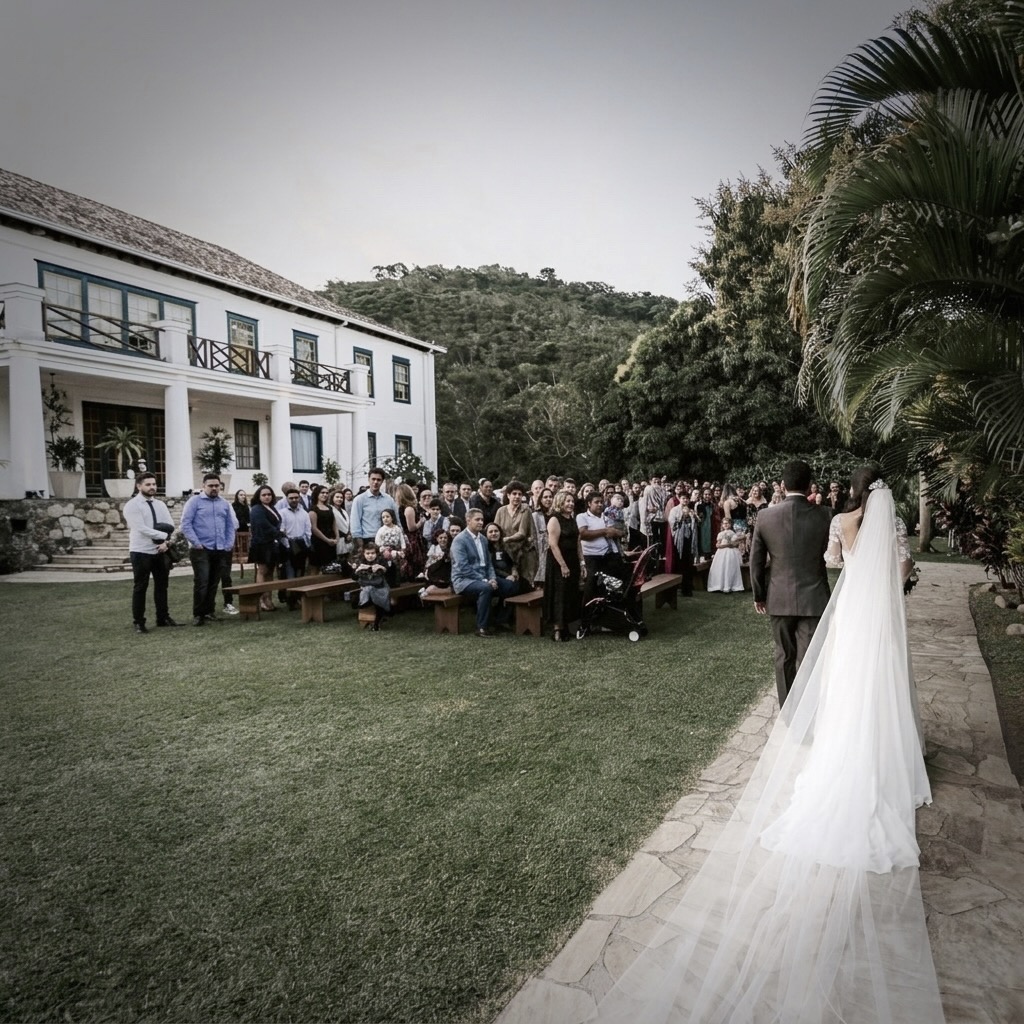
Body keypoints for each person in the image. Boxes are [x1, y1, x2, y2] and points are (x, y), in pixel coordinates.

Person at [594, 467, 941, 1022]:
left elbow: (763, 560)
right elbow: (853, 564)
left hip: (785, 596)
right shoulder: (831, 515)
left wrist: (759, 593)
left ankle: (790, 716)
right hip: (826, 601)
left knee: (785, 662)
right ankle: (820, 715)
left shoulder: (775, 515)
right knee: (824, 665)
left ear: (782, 483)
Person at [749, 458, 833, 707]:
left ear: (783, 485)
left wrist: (758, 594)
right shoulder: (825, 515)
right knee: (809, 657)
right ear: (810, 487)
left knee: (784, 655)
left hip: (779, 595)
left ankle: (788, 711)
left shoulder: (765, 517)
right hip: (815, 597)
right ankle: (807, 712)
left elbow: (756, 561)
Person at [122, 471, 179, 632]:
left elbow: (170, 525)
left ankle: (163, 617)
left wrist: (166, 543)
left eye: (154, 484)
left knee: (162, 586)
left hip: (161, 551)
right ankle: (138, 622)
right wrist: (162, 536)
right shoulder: (132, 505)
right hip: (141, 551)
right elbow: (140, 528)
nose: (152, 487)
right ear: (139, 486)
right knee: (140, 586)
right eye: (148, 484)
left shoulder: (160, 505)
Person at [451, 509, 517, 638]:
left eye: (482, 519)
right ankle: (482, 627)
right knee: (486, 588)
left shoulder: (483, 539)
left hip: (484, 578)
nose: (481, 522)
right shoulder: (460, 540)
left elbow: (489, 564)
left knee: (511, 586)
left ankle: (499, 620)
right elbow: (463, 568)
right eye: (477, 519)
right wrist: (485, 580)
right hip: (464, 580)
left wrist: (492, 577)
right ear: (468, 520)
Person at [180, 473, 236, 626]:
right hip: (201, 549)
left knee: (214, 582)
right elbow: (185, 524)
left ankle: (209, 611)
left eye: (216, 486)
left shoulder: (224, 504)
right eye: (210, 486)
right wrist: (197, 543)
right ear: (203, 486)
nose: (214, 488)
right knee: (202, 582)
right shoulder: (194, 502)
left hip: (220, 548)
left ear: (220, 487)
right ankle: (198, 614)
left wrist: (229, 543)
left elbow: (230, 525)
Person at [543, 490, 584, 642]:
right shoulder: (554, 519)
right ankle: (557, 629)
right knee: (559, 593)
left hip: (573, 559)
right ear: (560, 502)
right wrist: (563, 565)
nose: (571, 504)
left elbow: (578, 542)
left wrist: (582, 562)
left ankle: (567, 625)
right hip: (558, 561)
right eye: (567, 501)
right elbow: (553, 545)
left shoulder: (572, 519)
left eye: (572, 501)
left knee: (570, 593)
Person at [248, 485, 286, 612]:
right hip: (261, 544)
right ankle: (261, 599)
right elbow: (263, 525)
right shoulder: (256, 509)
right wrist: (278, 532)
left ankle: (268, 598)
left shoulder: (272, 508)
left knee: (271, 571)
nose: (267, 497)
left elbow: (278, 522)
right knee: (262, 571)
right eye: (264, 495)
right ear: (259, 496)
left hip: (272, 544)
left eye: (269, 494)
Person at [494, 480, 537, 589]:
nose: (517, 497)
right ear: (508, 495)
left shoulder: (525, 510)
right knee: (508, 581)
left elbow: (522, 533)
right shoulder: (501, 511)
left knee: (524, 583)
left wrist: (506, 539)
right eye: (514, 494)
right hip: (506, 553)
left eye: (520, 494)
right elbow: (495, 529)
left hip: (522, 552)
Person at [350, 468, 399, 557]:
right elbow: (355, 523)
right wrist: (360, 544)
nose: (375, 482)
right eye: (373, 479)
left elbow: (396, 520)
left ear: (382, 481)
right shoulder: (359, 499)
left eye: (378, 480)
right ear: (368, 479)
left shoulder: (389, 500)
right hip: (368, 539)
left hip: (387, 539)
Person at [353, 542, 390, 631]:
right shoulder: (360, 561)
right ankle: (373, 618)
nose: (370, 556)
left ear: (376, 553)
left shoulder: (381, 560)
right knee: (365, 593)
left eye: (373, 553)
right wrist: (357, 570)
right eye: (368, 553)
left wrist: (382, 568)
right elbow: (354, 578)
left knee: (379, 598)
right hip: (365, 587)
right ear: (364, 554)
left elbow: (390, 576)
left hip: (380, 587)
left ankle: (377, 623)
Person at [706, 517, 745, 593]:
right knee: (720, 567)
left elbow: (734, 544)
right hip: (721, 553)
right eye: (724, 523)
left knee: (729, 568)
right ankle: (719, 585)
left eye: (727, 523)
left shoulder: (733, 533)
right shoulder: (720, 534)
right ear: (722, 525)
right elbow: (718, 545)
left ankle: (729, 585)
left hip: (730, 553)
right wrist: (725, 545)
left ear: (730, 524)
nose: (726, 525)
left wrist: (734, 543)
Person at [308, 484, 339, 571]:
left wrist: (337, 537)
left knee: (330, 566)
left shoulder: (329, 508)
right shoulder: (313, 509)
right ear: (317, 494)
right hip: (319, 541)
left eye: (326, 493)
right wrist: (327, 540)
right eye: (322, 493)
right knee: (316, 567)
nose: (325, 495)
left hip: (331, 540)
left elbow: (334, 524)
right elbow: (314, 528)